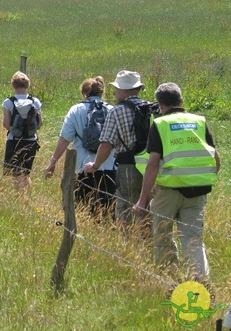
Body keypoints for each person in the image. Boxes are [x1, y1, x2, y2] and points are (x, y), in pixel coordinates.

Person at [132, 83, 219, 280]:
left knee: (163, 237)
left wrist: (142, 200)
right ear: (181, 101)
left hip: (168, 190)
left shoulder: (160, 125)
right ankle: (200, 283)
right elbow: (216, 158)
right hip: (198, 190)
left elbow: (152, 165)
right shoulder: (200, 121)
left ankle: (170, 281)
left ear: (160, 104)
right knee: (193, 240)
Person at [45, 77, 116, 216]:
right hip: (109, 166)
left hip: (82, 166)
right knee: (108, 211)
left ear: (84, 93)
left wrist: (53, 162)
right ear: (102, 92)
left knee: (84, 208)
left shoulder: (76, 110)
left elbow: (65, 138)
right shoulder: (112, 110)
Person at [85, 70, 147, 229]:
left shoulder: (116, 111)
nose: (114, 91)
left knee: (125, 208)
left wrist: (95, 165)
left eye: (117, 88)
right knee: (147, 208)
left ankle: (129, 246)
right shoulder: (151, 109)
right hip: (151, 167)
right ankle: (147, 245)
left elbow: (106, 145)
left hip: (128, 167)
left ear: (125, 90)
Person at [2, 71, 43, 191]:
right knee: (26, 172)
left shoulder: (8, 102)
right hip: (31, 141)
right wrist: (29, 131)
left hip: (14, 140)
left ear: (13, 85)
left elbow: (6, 124)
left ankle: (19, 196)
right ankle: (27, 195)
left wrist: (16, 131)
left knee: (15, 172)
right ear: (27, 85)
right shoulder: (35, 101)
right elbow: (40, 123)